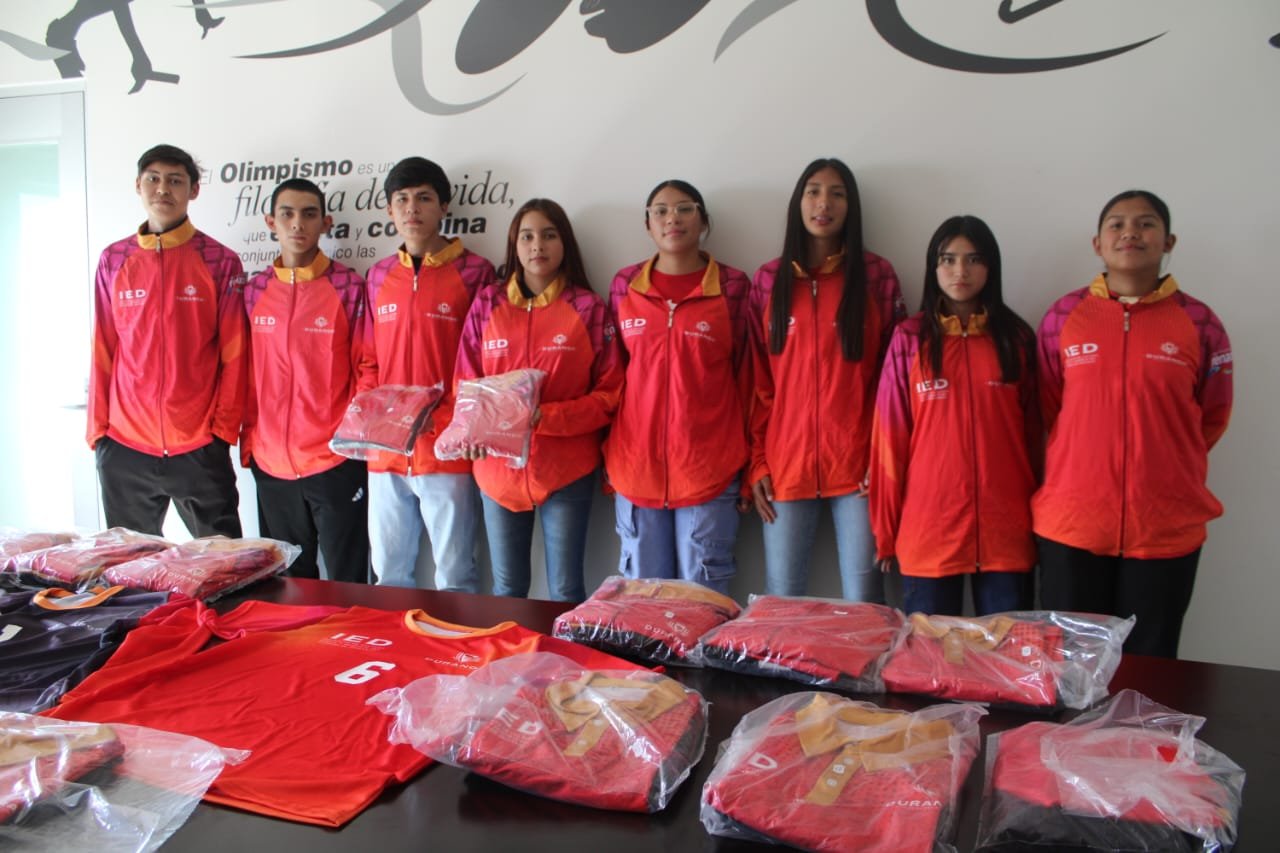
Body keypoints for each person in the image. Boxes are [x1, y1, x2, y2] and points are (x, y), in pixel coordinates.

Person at [1034, 190, 1232, 658]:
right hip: (1073, 523)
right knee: (1073, 668)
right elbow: (1049, 406)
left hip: (1164, 526)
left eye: (1145, 223)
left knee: (1151, 666)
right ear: (1097, 243)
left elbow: (1212, 415)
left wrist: (1162, 463)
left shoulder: (1199, 322)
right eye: (1117, 224)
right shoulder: (1063, 317)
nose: (1130, 233)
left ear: (1169, 241)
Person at [747, 158, 904, 602]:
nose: (824, 203)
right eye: (813, 191)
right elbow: (756, 382)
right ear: (798, 202)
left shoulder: (876, 277)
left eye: (837, 194)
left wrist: (884, 458)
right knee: (781, 598)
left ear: (851, 207)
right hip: (786, 466)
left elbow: (893, 381)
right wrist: (758, 463)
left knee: (865, 597)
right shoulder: (769, 280)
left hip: (859, 468)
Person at [454, 199, 624, 601]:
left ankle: (563, 648)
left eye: (549, 235)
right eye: (527, 236)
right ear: (514, 245)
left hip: (566, 468)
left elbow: (610, 394)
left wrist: (546, 417)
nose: (538, 246)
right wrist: (472, 432)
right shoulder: (488, 304)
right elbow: (465, 382)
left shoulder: (587, 308)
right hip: (497, 472)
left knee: (566, 590)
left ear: (564, 243)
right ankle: (511, 647)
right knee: (508, 589)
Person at [869, 215, 1039, 615]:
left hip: (1006, 532)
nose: (960, 271)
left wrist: (1038, 522)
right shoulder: (910, 338)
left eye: (973, 259)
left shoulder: (1016, 338)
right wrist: (885, 530)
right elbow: (889, 437)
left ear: (991, 267)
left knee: (1004, 650)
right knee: (930, 652)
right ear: (933, 267)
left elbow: (1037, 438)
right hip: (929, 529)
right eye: (948, 259)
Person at [87, 143, 246, 538]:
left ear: (194, 190)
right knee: (130, 564)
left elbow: (235, 354)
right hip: (125, 445)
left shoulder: (219, 261)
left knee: (225, 563)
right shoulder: (114, 259)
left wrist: (221, 433)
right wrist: (99, 432)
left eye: (175, 181)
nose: (163, 189)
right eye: (153, 179)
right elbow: (103, 347)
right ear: (138, 186)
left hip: (198, 445)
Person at [604, 179, 752, 595]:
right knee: (643, 603)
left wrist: (750, 464)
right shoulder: (625, 285)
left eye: (685, 208)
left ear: (703, 221)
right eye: (661, 211)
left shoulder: (734, 286)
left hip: (709, 468)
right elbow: (612, 377)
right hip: (636, 469)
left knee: (703, 601)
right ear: (648, 224)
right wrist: (609, 462)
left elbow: (748, 377)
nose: (673, 218)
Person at [361, 157, 496, 591]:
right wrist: (374, 421)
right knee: (389, 575)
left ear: (443, 206)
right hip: (386, 452)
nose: (412, 208)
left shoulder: (475, 272)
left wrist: (454, 423)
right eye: (402, 199)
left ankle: (455, 640)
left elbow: (482, 361)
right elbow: (368, 359)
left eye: (423, 198)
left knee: (456, 576)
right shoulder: (378, 276)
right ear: (389, 209)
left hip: (446, 449)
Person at [241, 178, 371, 582]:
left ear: (325, 223)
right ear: (271, 222)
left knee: (349, 582)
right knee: (290, 586)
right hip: (271, 464)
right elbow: (244, 371)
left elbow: (367, 366)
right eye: (287, 214)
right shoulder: (254, 290)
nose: (298, 223)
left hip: (335, 461)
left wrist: (351, 440)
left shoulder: (349, 286)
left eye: (309, 214)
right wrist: (250, 444)